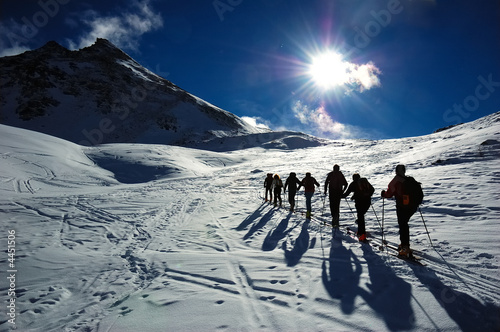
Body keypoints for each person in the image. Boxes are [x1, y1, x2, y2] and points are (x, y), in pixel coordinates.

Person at [381, 164, 418, 257]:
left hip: (402, 206)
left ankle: (405, 247)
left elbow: (389, 193)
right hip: (412, 206)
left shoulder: (396, 180)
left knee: (403, 225)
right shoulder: (409, 180)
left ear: (396, 171)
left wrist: (383, 194)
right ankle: (405, 245)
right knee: (404, 224)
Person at [342, 174, 375, 241]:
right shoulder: (365, 182)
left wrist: (340, 196)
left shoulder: (353, 184)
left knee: (360, 217)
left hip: (359, 203)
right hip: (367, 201)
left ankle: (361, 233)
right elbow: (372, 189)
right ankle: (362, 232)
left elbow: (346, 194)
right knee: (361, 216)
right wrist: (368, 195)